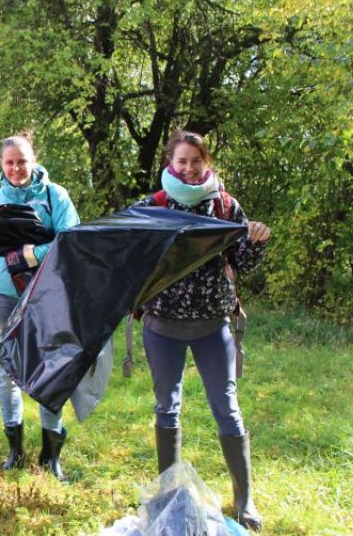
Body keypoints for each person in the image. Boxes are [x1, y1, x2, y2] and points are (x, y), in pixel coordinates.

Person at [134, 129, 270, 530]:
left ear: (206, 162)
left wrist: (257, 240)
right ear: (170, 165)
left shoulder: (226, 207)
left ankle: (244, 502)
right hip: (162, 326)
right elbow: (126, 254)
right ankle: (168, 498)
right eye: (182, 161)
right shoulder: (153, 206)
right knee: (166, 408)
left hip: (213, 326)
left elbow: (242, 262)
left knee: (227, 409)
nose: (189, 168)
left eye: (196, 161)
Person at [0, 132, 81, 480]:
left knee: (51, 368)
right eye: (9, 162)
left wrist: (32, 254)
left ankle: (51, 453)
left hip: (47, 294)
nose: (16, 168)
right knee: (7, 372)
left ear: (33, 159)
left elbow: (71, 240)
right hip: (2, 295)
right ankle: (14, 450)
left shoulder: (54, 196)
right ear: (1, 164)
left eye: (22, 161)